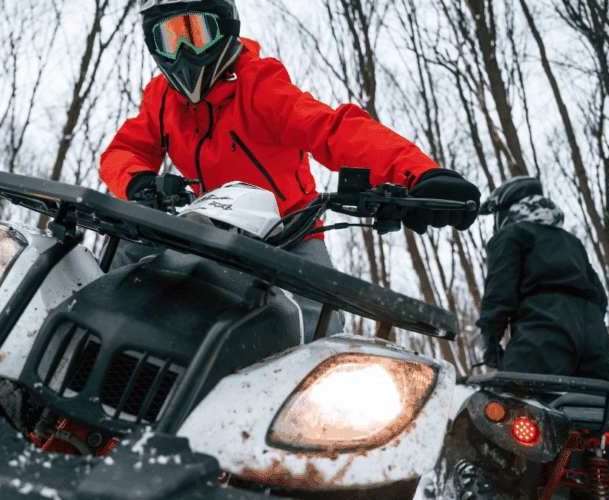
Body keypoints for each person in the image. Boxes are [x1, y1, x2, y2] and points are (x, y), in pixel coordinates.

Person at [99, 0, 480, 341]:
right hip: (208, 227)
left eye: (196, 32)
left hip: (288, 230)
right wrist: (139, 182)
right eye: (169, 37)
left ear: (225, 27)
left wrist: (418, 174)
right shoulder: (163, 97)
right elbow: (125, 149)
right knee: (127, 251)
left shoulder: (258, 84)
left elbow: (334, 130)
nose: (183, 49)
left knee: (322, 329)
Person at [475, 176, 609, 383]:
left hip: (543, 330)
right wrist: (586, 326)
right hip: (593, 334)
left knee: (512, 397)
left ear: (505, 209)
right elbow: (600, 296)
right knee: (604, 404)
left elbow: (499, 291)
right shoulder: (571, 241)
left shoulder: (512, 234)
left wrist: (490, 341)